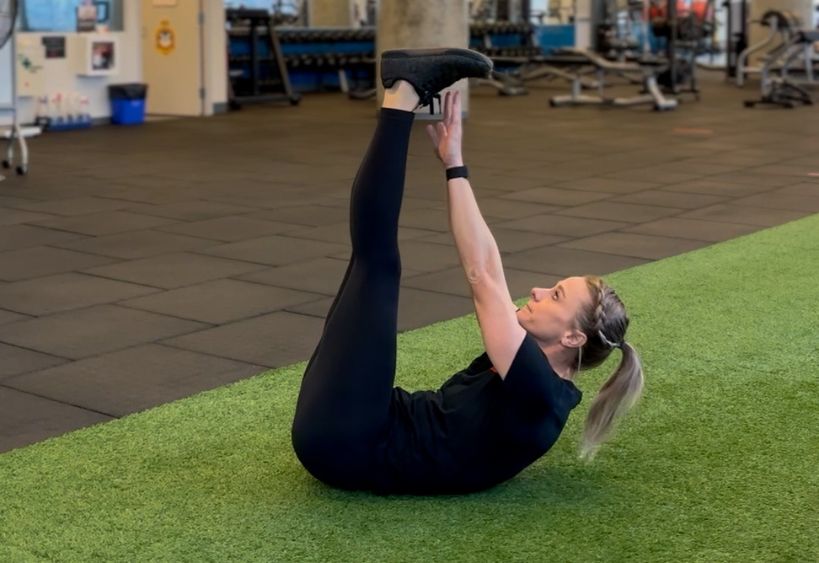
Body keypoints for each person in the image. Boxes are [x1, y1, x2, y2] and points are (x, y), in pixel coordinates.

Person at [291, 48, 644, 496]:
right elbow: (490, 263)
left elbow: (482, 278)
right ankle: (402, 93)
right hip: (361, 424)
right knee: (368, 263)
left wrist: (453, 165)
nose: (538, 290)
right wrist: (454, 164)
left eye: (556, 295)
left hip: (351, 443)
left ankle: (402, 92)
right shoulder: (532, 372)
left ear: (573, 338)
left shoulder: (539, 392)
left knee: (377, 265)